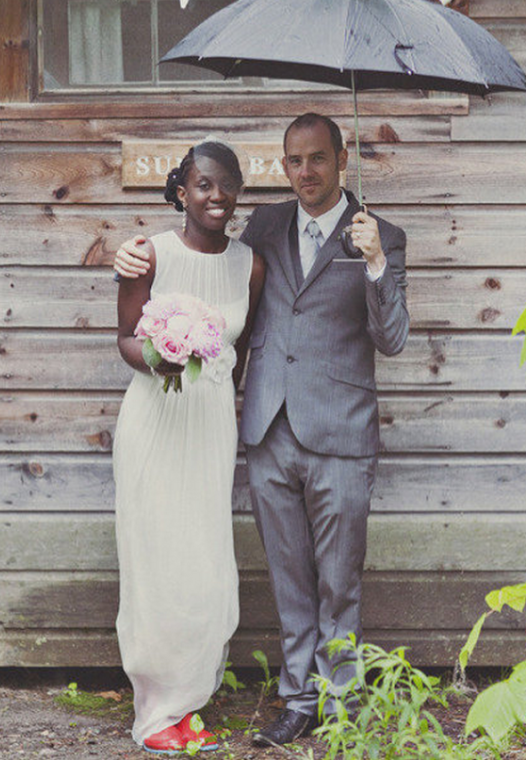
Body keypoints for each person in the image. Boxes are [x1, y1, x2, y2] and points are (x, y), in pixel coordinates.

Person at [114, 114, 408, 748]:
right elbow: (202, 248)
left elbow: (392, 339)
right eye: (294, 161)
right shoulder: (268, 227)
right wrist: (129, 252)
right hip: (269, 429)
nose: (306, 172)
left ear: (341, 156)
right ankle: (299, 699)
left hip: (341, 430)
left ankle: (344, 700)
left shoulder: (381, 236)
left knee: (339, 578)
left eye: (318, 159)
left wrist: (377, 261)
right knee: (289, 576)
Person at [114, 139, 265, 755]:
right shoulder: (149, 254)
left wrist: (223, 397)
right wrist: (164, 357)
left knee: (202, 562)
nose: (217, 197)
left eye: (228, 186)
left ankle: (190, 699)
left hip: (208, 424)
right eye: (204, 185)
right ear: (181, 190)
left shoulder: (249, 265)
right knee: (156, 560)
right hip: (155, 417)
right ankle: (155, 714)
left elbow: (242, 348)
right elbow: (124, 337)